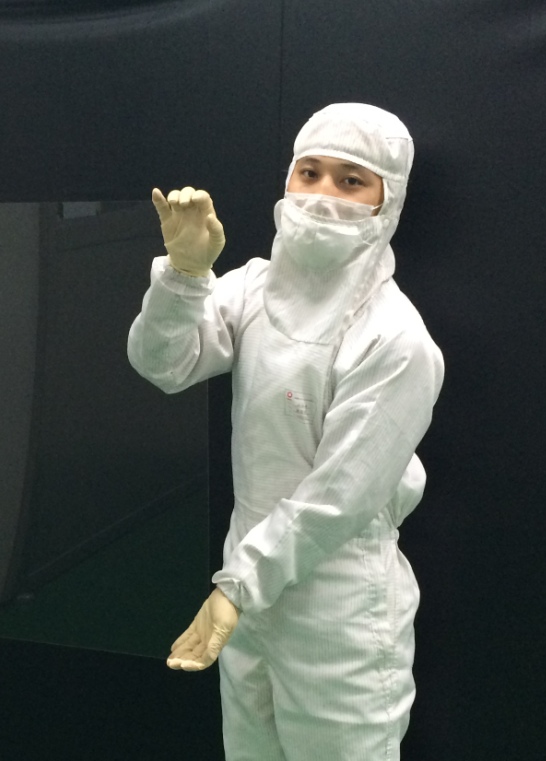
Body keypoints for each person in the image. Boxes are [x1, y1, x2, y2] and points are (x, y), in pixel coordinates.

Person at [127, 103, 444, 760]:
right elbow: (164, 363)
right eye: (310, 172)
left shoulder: (396, 339)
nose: (323, 193)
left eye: (351, 180)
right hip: (245, 591)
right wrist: (184, 275)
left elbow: (338, 497)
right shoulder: (254, 289)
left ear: (387, 200)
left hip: (337, 607)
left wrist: (238, 586)